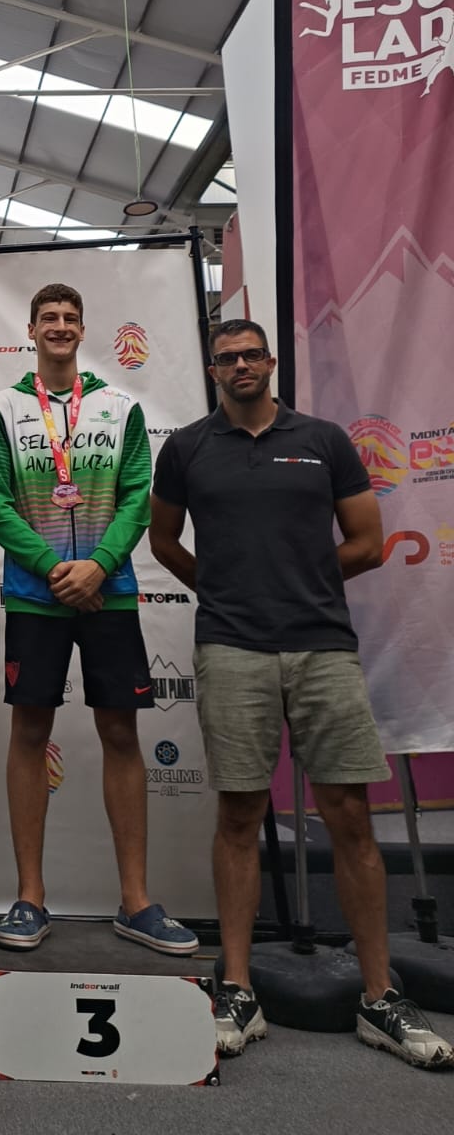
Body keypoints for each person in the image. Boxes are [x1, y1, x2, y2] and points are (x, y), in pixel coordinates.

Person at [150, 319, 454, 1069]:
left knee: (348, 814)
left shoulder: (324, 440)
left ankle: (379, 997)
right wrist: (223, 589)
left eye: (251, 355)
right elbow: (162, 540)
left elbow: (367, 542)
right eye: (227, 358)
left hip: (323, 646)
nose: (240, 366)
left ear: (270, 362)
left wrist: (300, 581)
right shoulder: (186, 447)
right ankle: (237, 990)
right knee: (238, 815)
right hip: (230, 646)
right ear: (213, 370)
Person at [0, 283, 198, 956]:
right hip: (36, 595)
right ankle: (29, 897)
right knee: (29, 733)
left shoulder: (119, 407)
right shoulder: (3, 408)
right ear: (31, 330)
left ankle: (136, 901)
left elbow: (137, 499)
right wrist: (55, 569)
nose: (60, 326)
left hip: (111, 593)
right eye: (49, 317)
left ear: (82, 329)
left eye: (70, 318)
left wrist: (98, 566)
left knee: (121, 734)